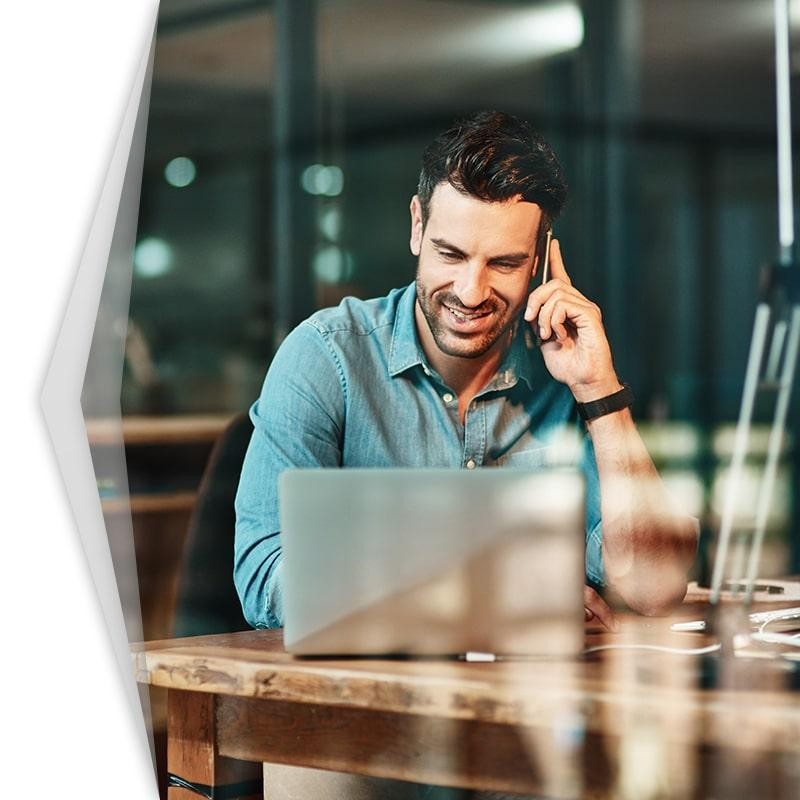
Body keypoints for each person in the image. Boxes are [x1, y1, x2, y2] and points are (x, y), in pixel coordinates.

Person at [234, 109, 698, 637]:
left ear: (542, 260)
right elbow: (267, 582)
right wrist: (492, 595)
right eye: (450, 254)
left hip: (538, 705)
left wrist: (598, 392)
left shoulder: (567, 376)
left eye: (503, 263)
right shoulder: (327, 357)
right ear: (417, 225)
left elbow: (655, 588)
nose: (471, 292)